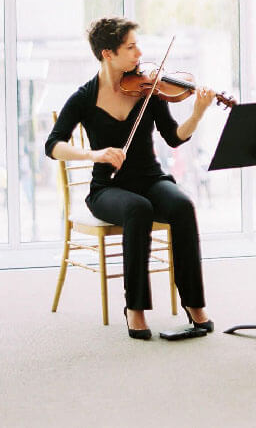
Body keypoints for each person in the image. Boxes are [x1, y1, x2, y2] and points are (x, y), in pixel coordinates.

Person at [45, 17, 215, 340]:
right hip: (107, 188)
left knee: (182, 206)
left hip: (151, 178)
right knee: (138, 209)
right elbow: (53, 145)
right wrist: (94, 155)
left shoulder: (148, 90)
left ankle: (194, 304)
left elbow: (175, 137)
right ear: (108, 54)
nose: (140, 53)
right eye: (131, 47)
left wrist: (197, 113)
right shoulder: (84, 97)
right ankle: (134, 307)